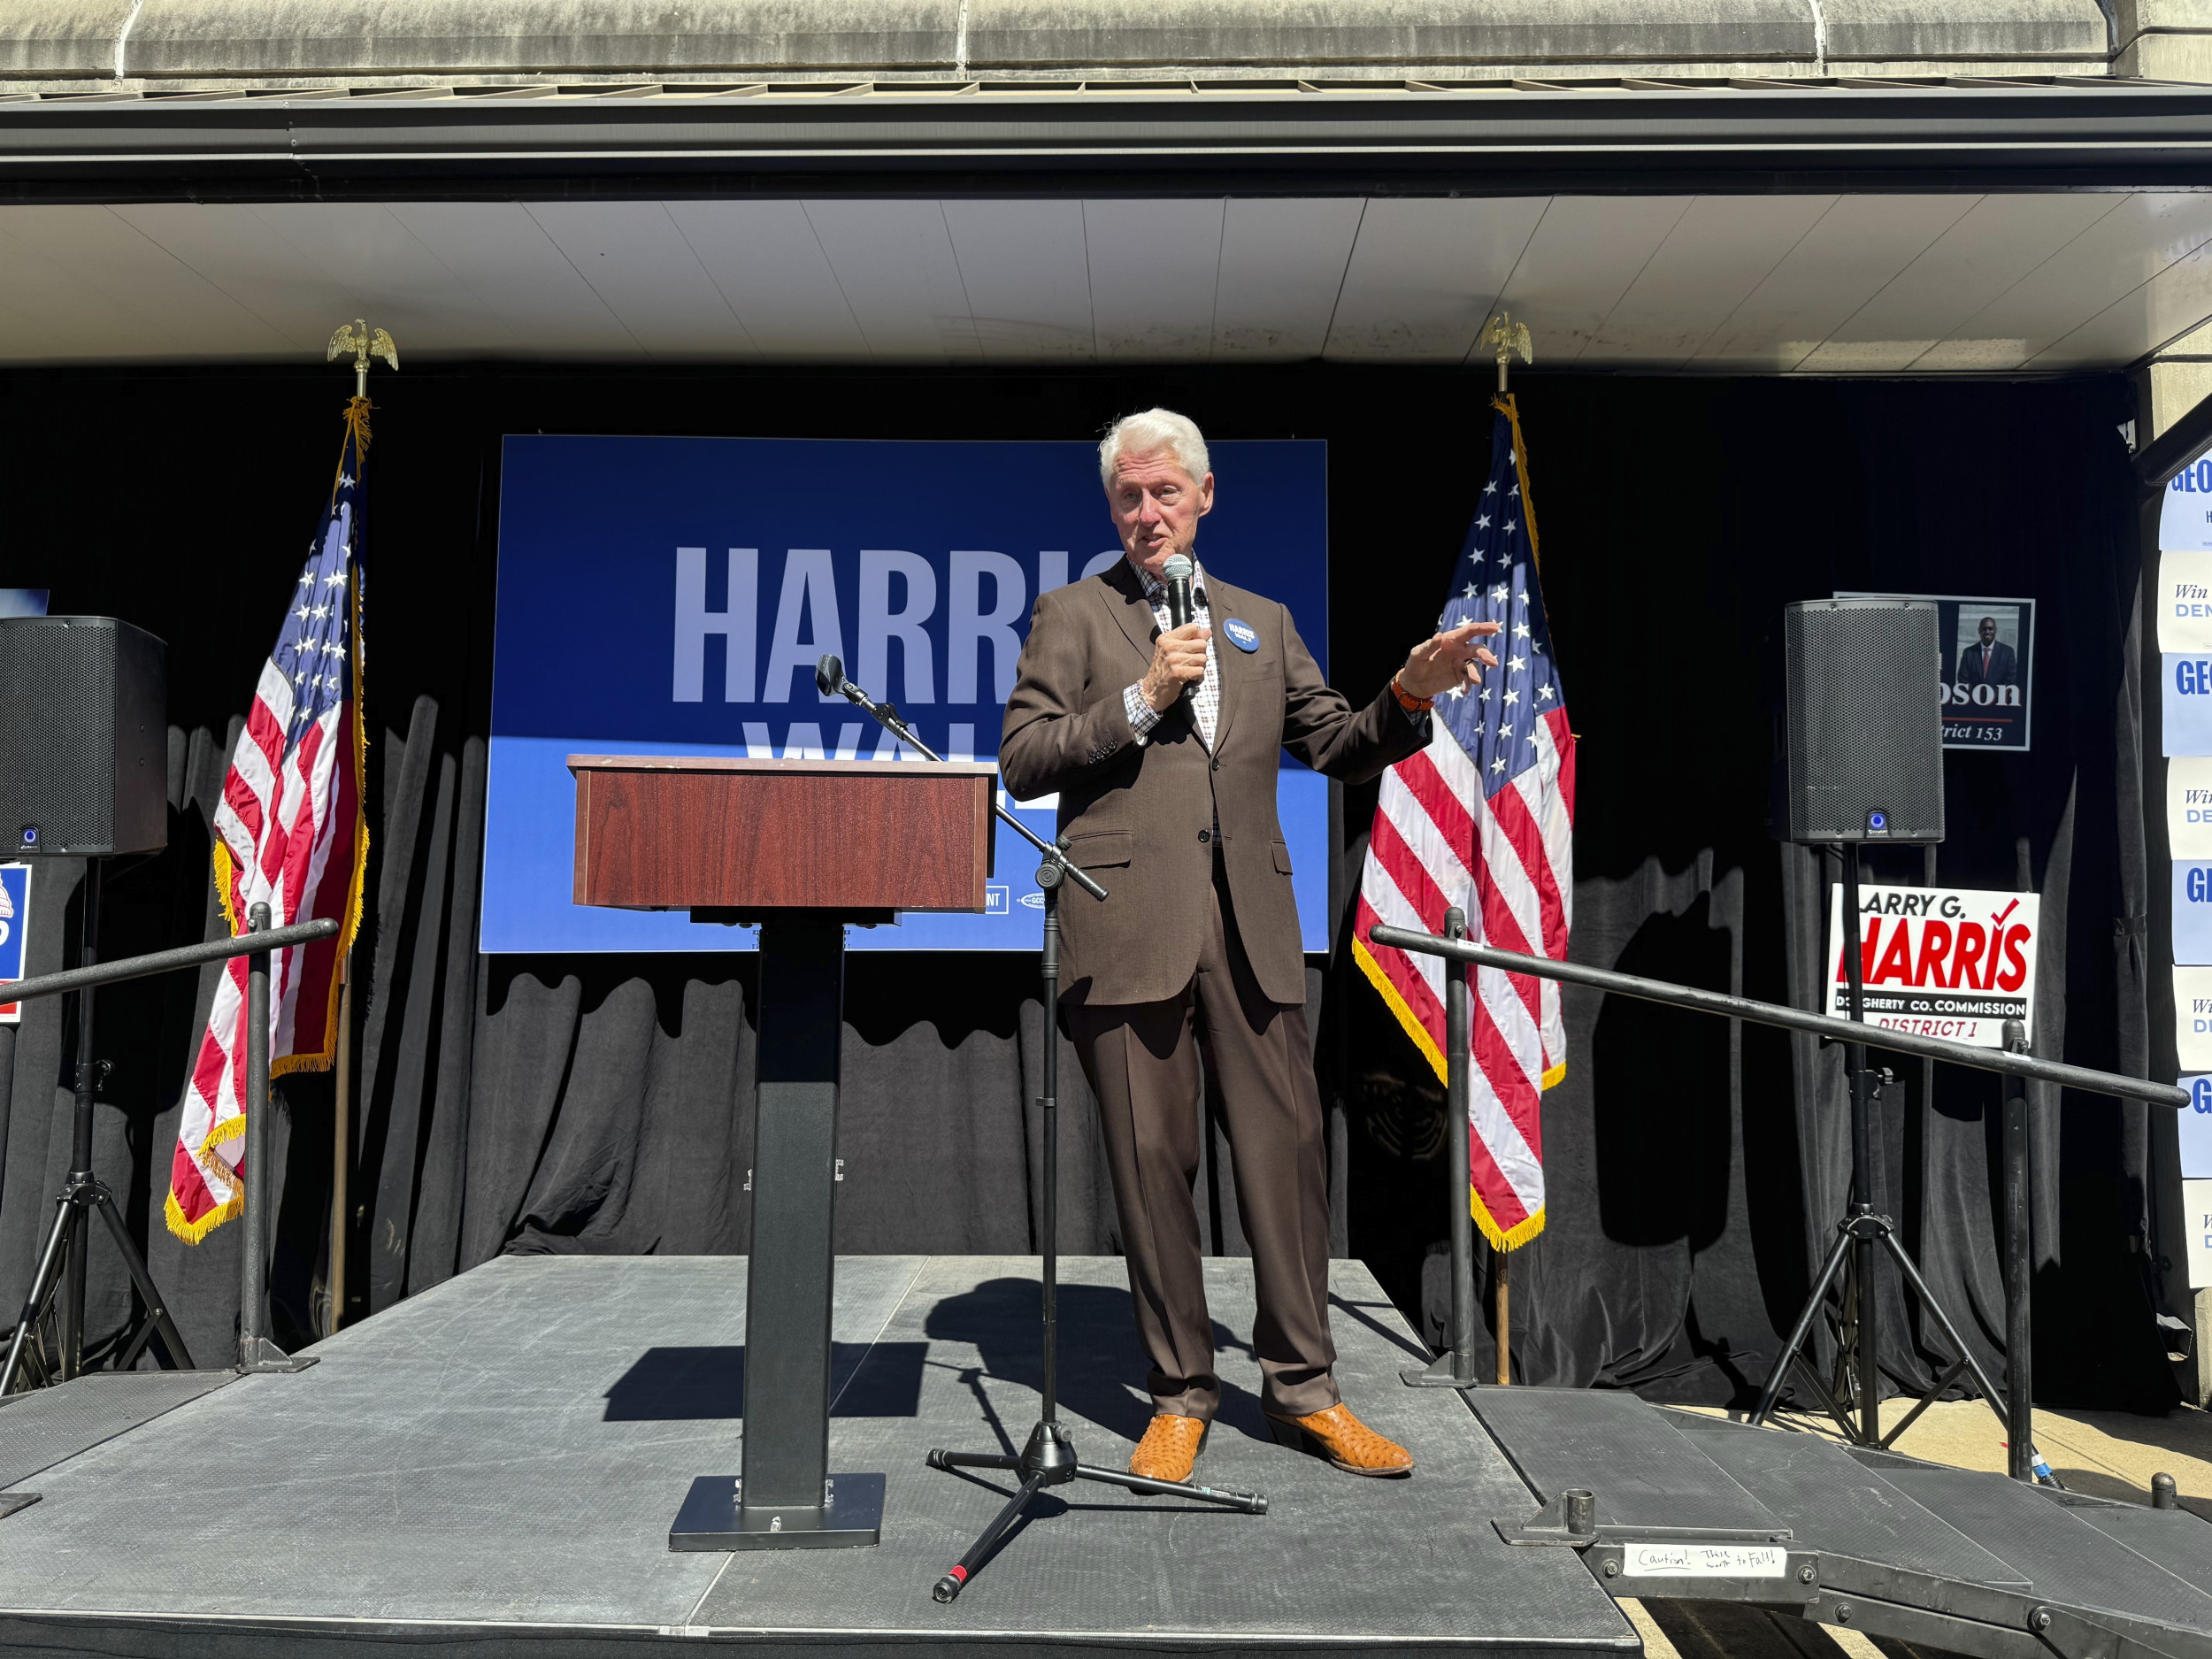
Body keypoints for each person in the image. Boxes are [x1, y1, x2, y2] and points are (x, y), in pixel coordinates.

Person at [999, 408, 1498, 1485]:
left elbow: (1336, 744)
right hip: (1126, 928)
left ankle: (1304, 1391)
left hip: (1255, 931)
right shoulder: (1074, 616)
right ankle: (1180, 1394)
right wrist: (1140, 698)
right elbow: (1026, 761)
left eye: (1163, 493)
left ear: (1204, 496)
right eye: (1127, 497)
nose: (1145, 514)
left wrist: (1409, 689)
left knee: (1284, 1161)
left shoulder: (1261, 622)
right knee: (1149, 1166)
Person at [1958, 615, 2016, 688]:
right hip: (1973, 698)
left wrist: (1993, 697)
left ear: (1996, 630)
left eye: (1990, 629)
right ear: (1979, 630)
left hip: (1999, 698)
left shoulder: (2008, 652)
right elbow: (1963, 680)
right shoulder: (1969, 653)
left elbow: (2011, 680)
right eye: (1984, 629)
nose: (1987, 632)